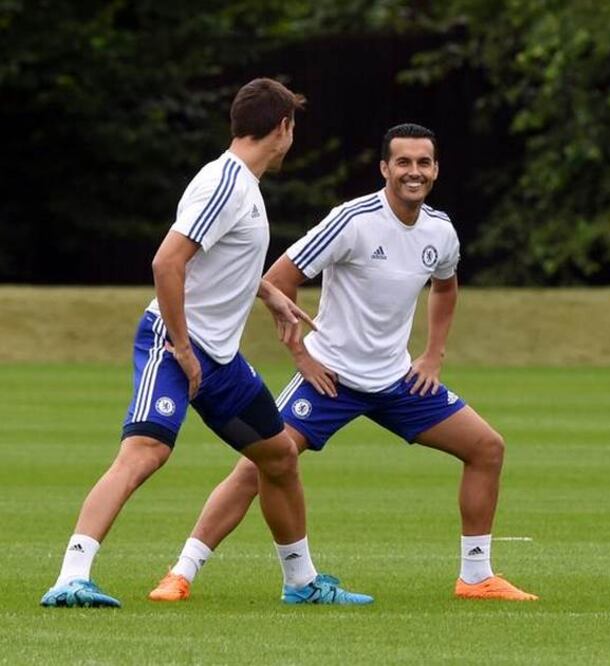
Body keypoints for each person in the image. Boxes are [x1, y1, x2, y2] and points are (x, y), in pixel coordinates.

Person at [148, 123, 537, 603]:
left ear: (435, 170)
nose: (413, 172)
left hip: (397, 381)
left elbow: (445, 284)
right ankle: (181, 574)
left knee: (487, 448)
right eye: (403, 162)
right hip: (329, 380)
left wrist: (433, 355)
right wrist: (302, 356)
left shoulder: (441, 230)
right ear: (384, 169)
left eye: (423, 163)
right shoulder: (351, 220)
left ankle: (476, 578)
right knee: (260, 464)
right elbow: (275, 279)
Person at [41, 78, 371, 608]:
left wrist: (267, 295)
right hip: (174, 348)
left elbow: (217, 258)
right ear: (283, 128)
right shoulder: (226, 183)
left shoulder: (242, 186)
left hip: (219, 361)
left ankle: (301, 582)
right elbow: (166, 262)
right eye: (294, 127)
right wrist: (183, 347)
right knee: (145, 452)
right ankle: (71, 576)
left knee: (280, 455)